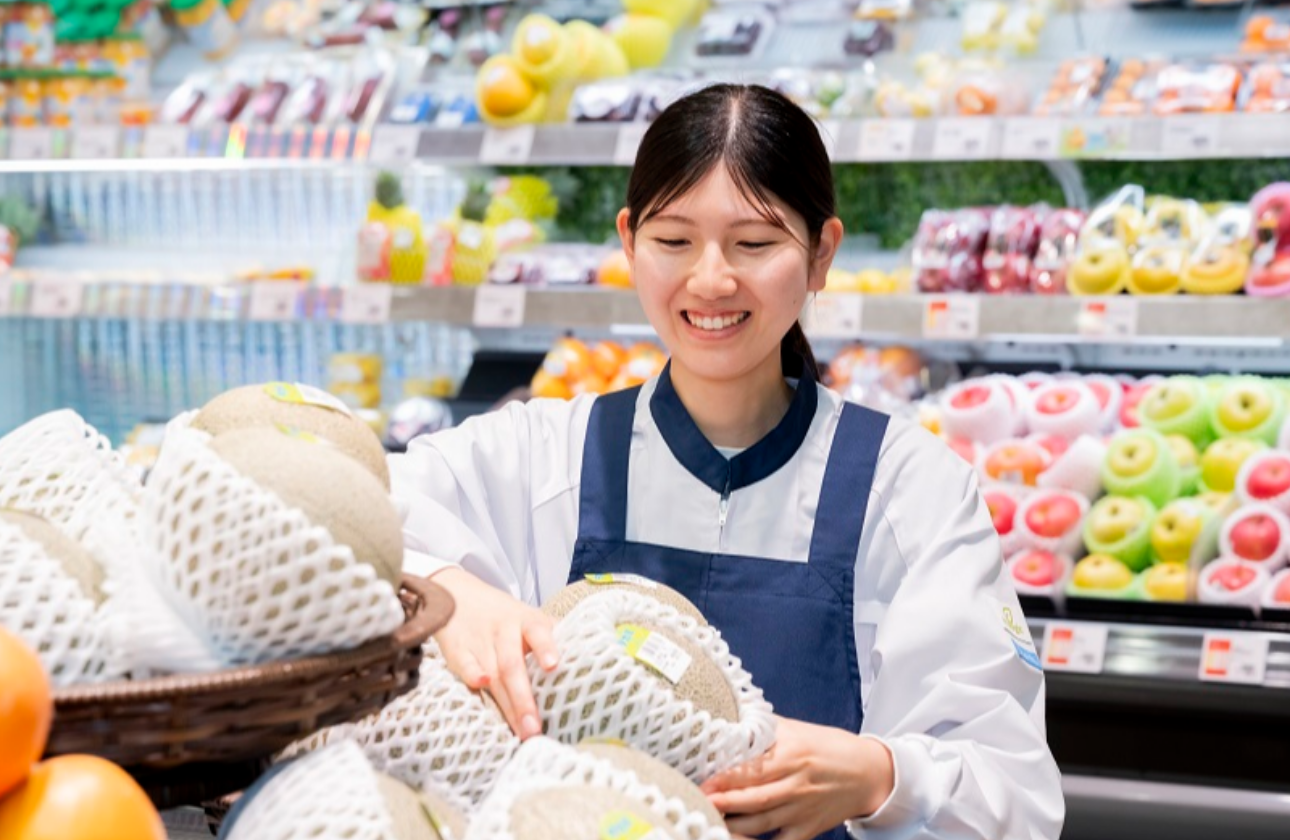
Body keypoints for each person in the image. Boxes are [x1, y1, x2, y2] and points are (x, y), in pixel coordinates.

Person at [392, 83, 1064, 840]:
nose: (710, 280)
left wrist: (880, 776)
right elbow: (342, 501)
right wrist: (448, 589)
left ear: (821, 254)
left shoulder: (908, 489)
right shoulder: (546, 453)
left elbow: (1014, 792)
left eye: (754, 244)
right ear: (628, 242)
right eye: (674, 242)